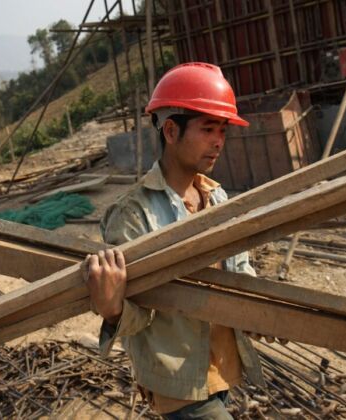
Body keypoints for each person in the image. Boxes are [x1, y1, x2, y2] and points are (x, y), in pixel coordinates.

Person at [84, 62, 264, 419]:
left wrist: (268, 313)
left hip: (221, 372)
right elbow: (139, 314)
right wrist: (113, 308)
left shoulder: (219, 199)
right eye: (208, 129)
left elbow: (240, 272)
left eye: (223, 131)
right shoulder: (134, 214)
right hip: (179, 385)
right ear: (170, 130)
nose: (218, 142)